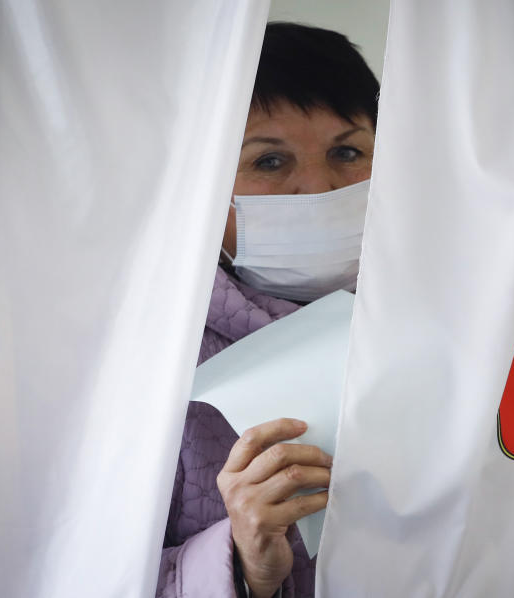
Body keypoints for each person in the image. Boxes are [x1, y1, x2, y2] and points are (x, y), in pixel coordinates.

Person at [156, 22, 379, 598]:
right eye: (270, 162)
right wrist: (243, 563)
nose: (318, 188)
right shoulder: (149, 353)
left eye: (347, 152)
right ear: (202, 179)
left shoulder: (465, 318)